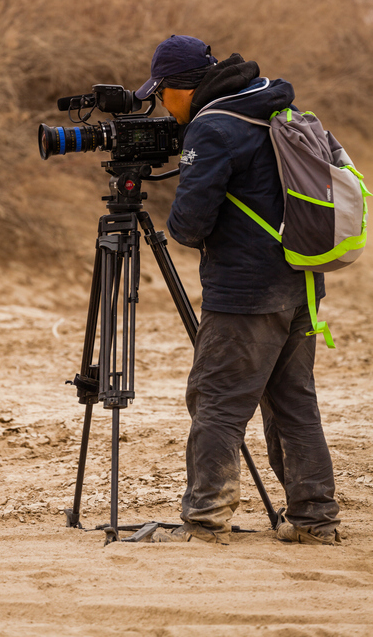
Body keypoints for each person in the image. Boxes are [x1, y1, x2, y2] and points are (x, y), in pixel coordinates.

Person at [134, 35, 341, 545]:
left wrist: (187, 172)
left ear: (183, 88)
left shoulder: (214, 126)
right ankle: (316, 520)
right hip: (301, 281)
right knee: (294, 403)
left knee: (217, 402)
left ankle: (205, 521)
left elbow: (187, 225)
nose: (164, 105)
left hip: (246, 292)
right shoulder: (272, 106)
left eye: (163, 94)